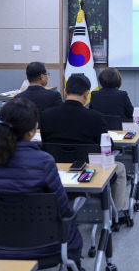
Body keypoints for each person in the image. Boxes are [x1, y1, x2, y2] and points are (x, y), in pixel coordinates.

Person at [0, 98, 83, 271]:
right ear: (31, 131)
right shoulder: (43, 160)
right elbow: (62, 207)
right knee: (70, 223)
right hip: (45, 246)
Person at [41, 73, 128, 213]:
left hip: (57, 169)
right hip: (89, 170)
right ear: (87, 94)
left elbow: (45, 143)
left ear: (65, 91)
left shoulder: (46, 115)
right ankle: (116, 213)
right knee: (120, 168)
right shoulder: (95, 117)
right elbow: (108, 146)